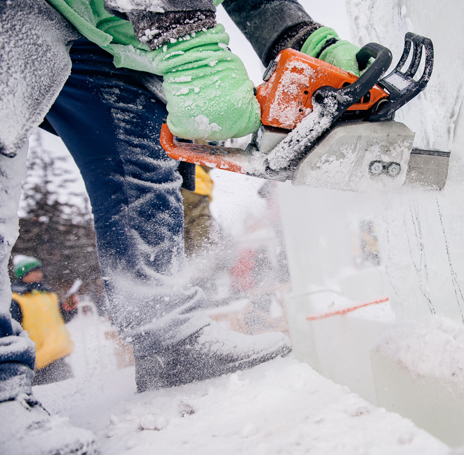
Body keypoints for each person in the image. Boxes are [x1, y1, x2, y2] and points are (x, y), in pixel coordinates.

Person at [0, 1, 365, 453]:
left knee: (139, 153)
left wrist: (305, 39)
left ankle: (167, 342)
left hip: (108, 36)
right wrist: (187, 39)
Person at [9, 256, 76, 386]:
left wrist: (69, 309)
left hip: (59, 355)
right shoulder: (15, 299)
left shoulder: (48, 294)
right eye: (34, 271)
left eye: (39, 271)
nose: (39, 274)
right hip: (37, 362)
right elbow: (12, 331)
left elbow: (60, 319)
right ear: (23, 274)